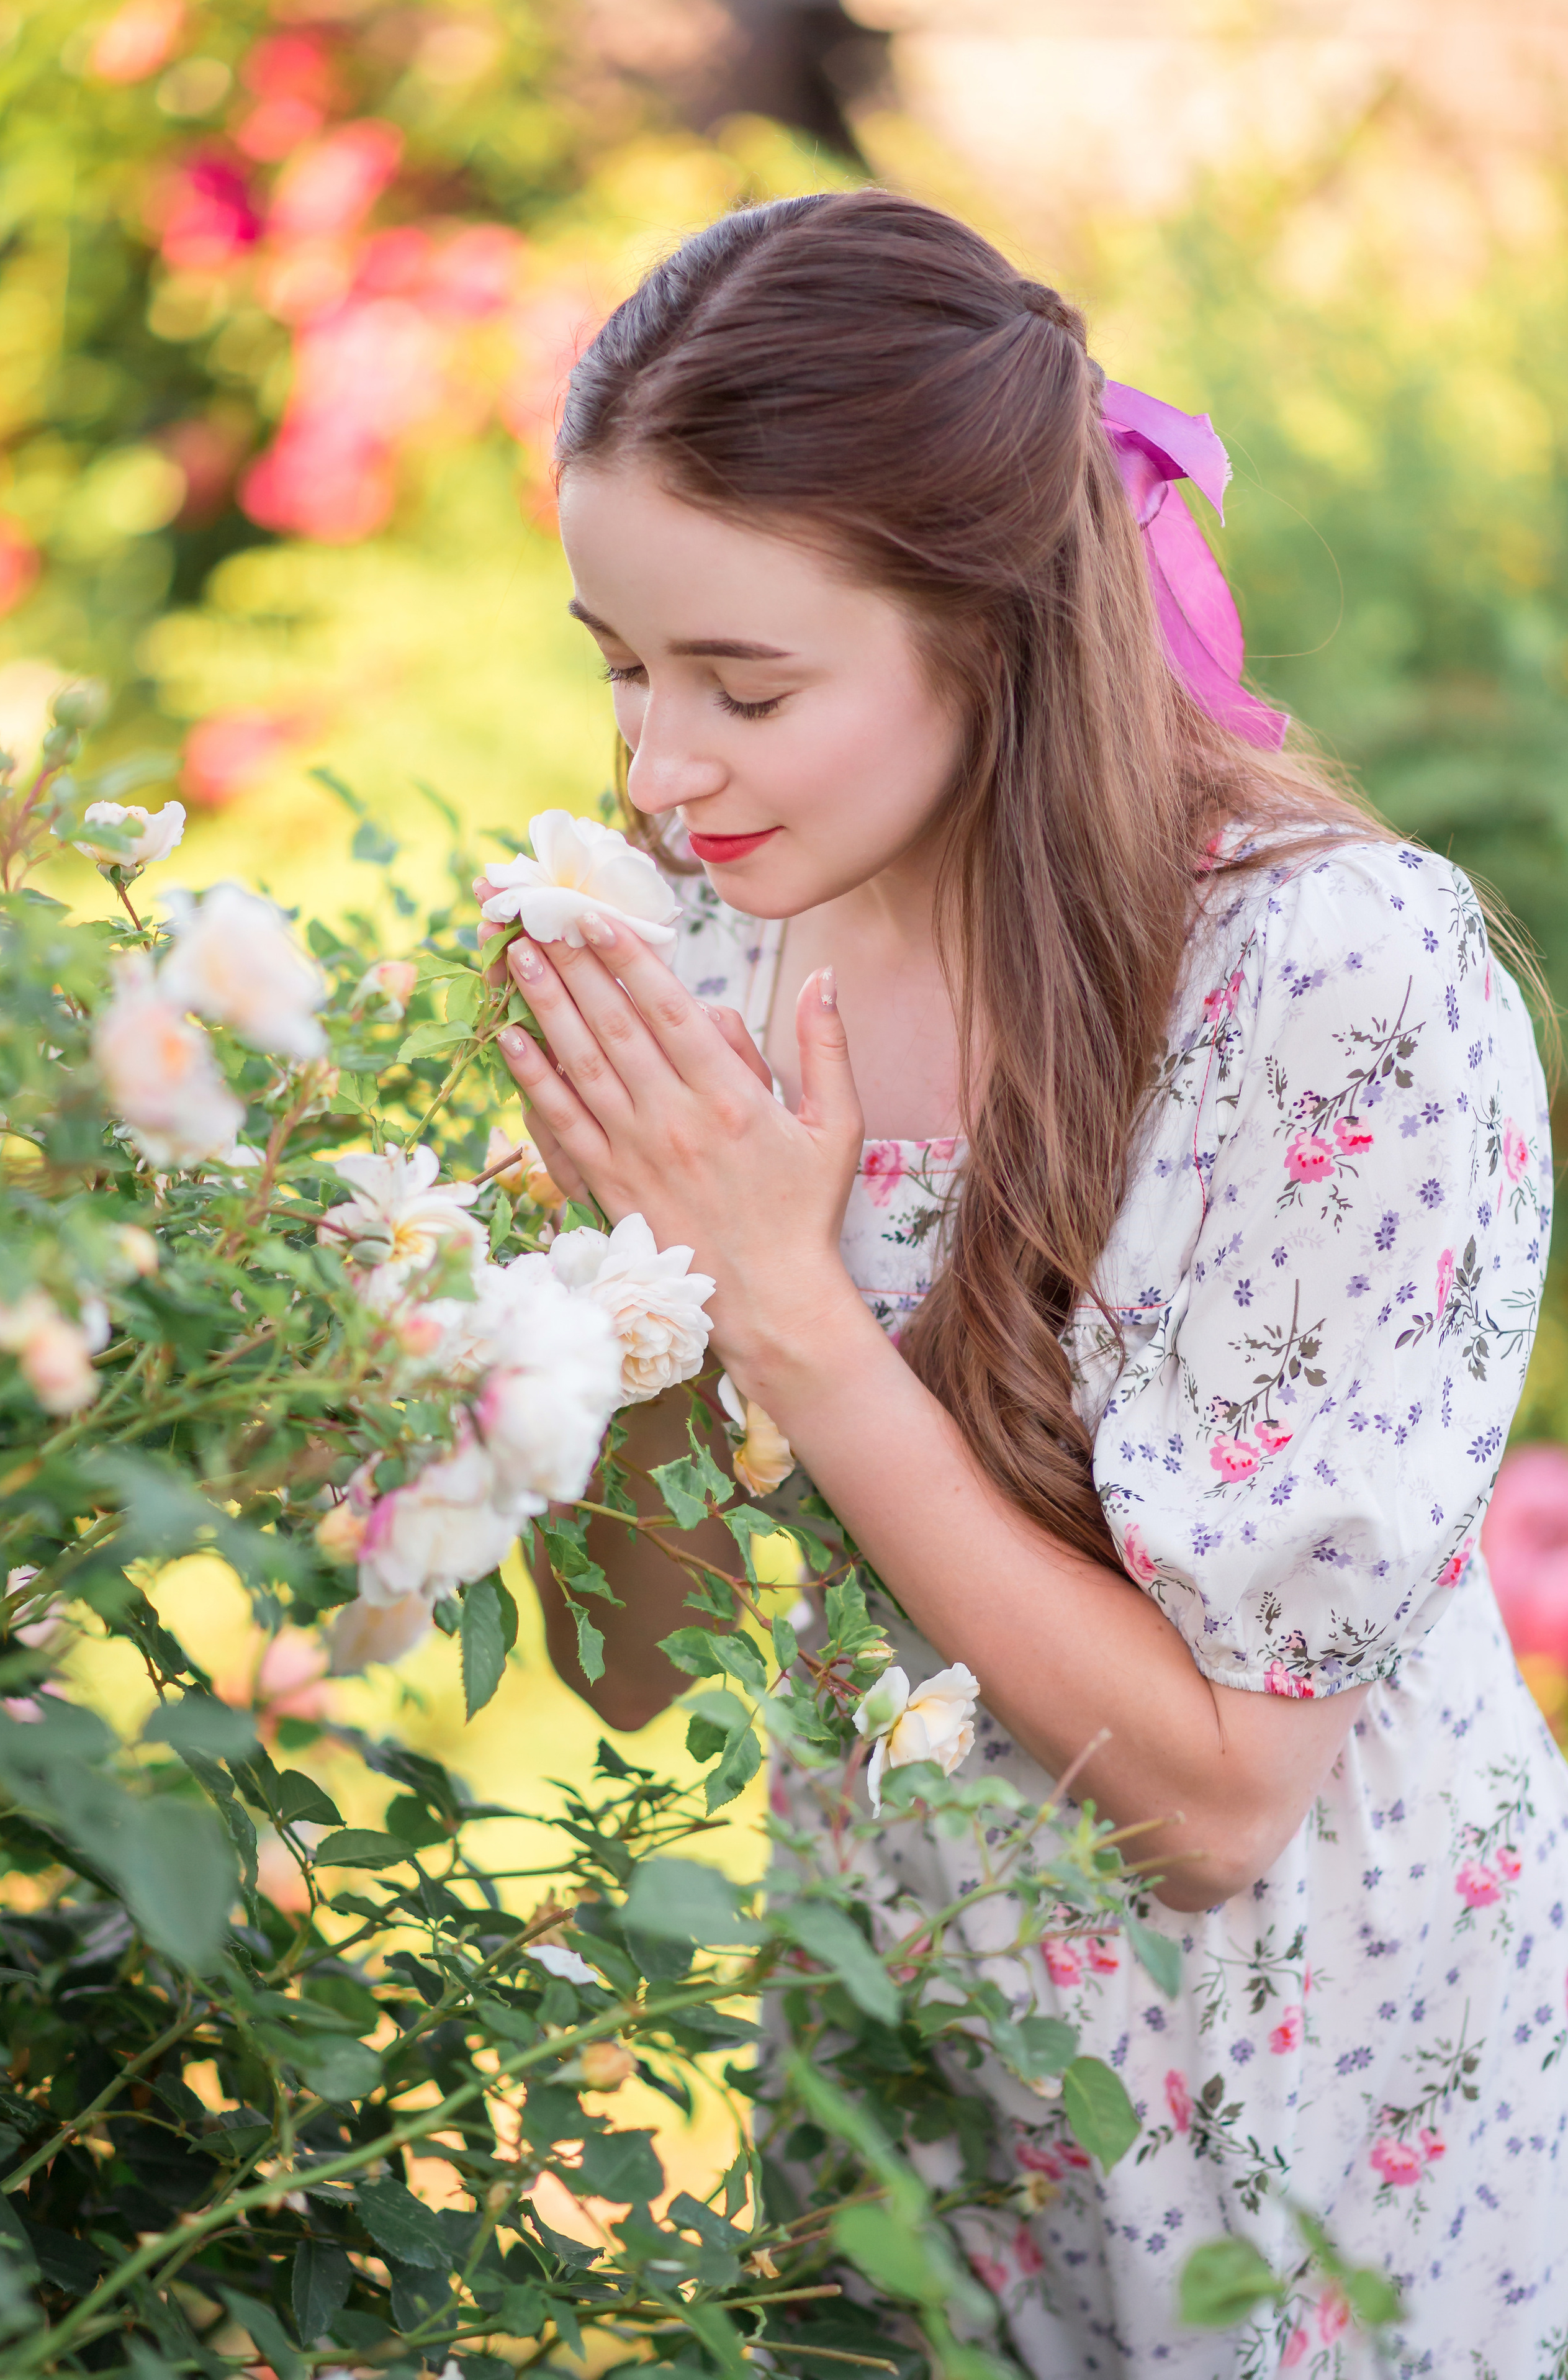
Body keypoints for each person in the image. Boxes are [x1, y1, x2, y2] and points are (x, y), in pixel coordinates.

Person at [479, 191, 1567, 2377]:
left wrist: (785, 1309)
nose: (654, 768)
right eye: (622, 664)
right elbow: (633, 1661)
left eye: (746, 683)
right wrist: (634, 1290)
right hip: (912, 2092)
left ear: (988, 629)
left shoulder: (1331, 984)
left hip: (1313, 2122)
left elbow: (1218, 1799)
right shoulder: (709, 952)